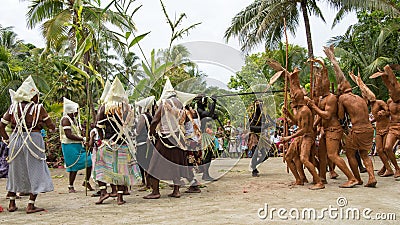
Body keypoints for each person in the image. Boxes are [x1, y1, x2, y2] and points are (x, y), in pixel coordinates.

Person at [0, 76, 56, 213]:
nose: (38, 97)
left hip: (16, 139)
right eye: (36, 94)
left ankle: (12, 204)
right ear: (32, 96)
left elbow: (1, 125)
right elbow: (51, 127)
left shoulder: (13, 107)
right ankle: (30, 205)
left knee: (15, 170)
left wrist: (7, 140)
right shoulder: (39, 108)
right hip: (33, 139)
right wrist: (45, 124)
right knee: (36, 170)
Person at [324, 45, 376, 187]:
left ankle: (356, 179)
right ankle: (371, 177)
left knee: (350, 153)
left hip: (358, 130)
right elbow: (341, 77)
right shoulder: (359, 98)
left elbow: (341, 116)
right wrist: (333, 60)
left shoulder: (342, 99)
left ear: (341, 89)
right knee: (364, 154)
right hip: (369, 129)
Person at [307, 59, 357, 188]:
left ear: (324, 86)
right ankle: (322, 178)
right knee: (322, 155)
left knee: (332, 155)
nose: (315, 89)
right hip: (325, 130)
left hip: (333, 129)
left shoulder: (331, 98)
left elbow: (327, 115)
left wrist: (314, 107)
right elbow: (320, 116)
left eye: (317, 87)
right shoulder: (322, 98)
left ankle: (351, 178)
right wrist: (313, 126)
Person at [94, 77, 141, 205]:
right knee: (122, 171)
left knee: (100, 167)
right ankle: (120, 198)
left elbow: (98, 125)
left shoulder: (104, 108)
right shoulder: (127, 108)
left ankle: (103, 192)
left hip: (107, 142)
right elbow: (132, 125)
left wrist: (102, 139)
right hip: (122, 143)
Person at [144, 77, 190, 199]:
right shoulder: (180, 104)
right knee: (176, 164)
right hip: (178, 139)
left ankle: (155, 191)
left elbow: (154, 120)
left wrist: (151, 133)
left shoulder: (165, 103)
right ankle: (176, 190)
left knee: (154, 164)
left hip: (165, 138)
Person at [281, 68, 324, 190]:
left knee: (304, 158)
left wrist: (289, 137)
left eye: (293, 97)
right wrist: (288, 114)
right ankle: (299, 179)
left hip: (307, 137)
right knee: (288, 157)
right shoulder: (300, 110)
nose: (291, 99)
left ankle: (319, 181)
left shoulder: (305, 110)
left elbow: (304, 130)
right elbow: (296, 122)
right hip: (300, 136)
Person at [371, 65, 400, 178]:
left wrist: (388, 72)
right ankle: (396, 169)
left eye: (392, 93)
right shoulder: (389, 101)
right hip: (393, 127)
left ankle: (388, 168)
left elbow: (394, 84)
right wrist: (382, 114)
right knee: (387, 148)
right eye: (389, 93)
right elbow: (387, 113)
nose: (390, 94)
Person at [60, 97, 93, 193]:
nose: (78, 112)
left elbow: (77, 133)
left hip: (78, 145)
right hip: (69, 146)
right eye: (76, 110)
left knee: (90, 160)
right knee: (73, 166)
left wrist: (82, 135)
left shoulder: (73, 119)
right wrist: (82, 138)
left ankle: (86, 181)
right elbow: (68, 135)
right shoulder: (65, 120)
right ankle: (70, 186)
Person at [135, 96, 156, 191]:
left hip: (142, 142)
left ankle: (147, 183)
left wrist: (133, 133)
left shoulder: (143, 116)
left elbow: (138, 130)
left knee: (142, 162)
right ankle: (148, 183)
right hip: (149, 142)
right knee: (147, 161)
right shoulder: (150, 115)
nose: (138, 109)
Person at [248, 99, 268, 177]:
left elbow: (270, 123)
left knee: (265, 155)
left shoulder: (264, 116)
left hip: (261, 137)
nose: (260, 106)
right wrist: (263, 127)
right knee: (255, 154)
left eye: (261, 105)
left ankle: (253, 166)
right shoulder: (252, 116)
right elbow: (251, 128)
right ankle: (254, 170)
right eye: (258, 105)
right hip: (254, 137)